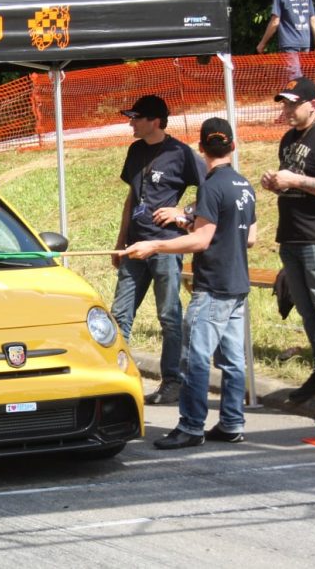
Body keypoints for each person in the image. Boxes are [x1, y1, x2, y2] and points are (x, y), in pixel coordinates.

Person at [123, 118, 258, 449]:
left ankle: (191, 426)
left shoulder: (211, 187)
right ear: (233, 147)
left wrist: (155, 245)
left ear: (201, 148)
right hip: (238, 284)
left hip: (213, 286)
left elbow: (201, 240)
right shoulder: (244, 185)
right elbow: (250, 238)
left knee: (196, 358)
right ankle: (231, 423)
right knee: (232, 361)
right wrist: (188, 223)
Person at [260, 77, 315, 404]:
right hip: (291, 235)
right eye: (285, 104)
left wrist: (294, 179)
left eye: (294, 104)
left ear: (313, 104)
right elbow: (295, 182)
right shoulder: (288, 138)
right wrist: (276, 183)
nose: (288, 110)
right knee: (307, 310)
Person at [111, 95, 205, 405]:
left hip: (165, 245)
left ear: (155, 121)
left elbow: (211, 189)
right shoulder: (135, 150)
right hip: (135, 246)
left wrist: (183, 214)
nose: (130, 123)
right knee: (120, 314)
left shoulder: (180, 153)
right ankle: (116, 378)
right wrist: (120, 241)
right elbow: (129, 199)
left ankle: (172, 381)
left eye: (136, 118)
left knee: (168, 315)